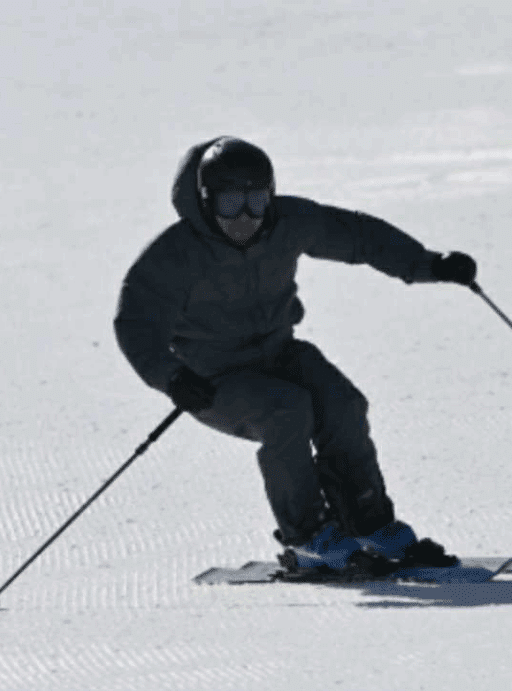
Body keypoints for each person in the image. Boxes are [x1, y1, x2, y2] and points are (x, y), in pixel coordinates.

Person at [115, 136, 478, 570]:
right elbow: (136, 323)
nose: (246, 217)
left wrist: (429, 264)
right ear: (206, 201)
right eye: (230, 204)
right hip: (214, 378)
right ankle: (307, 537)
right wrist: (172, 377)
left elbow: (358, 236)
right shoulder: (174, 254)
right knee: (285, 411)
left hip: (279, 352)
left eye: (256, 201)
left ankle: (369, 525)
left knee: (342, 404)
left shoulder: (288, 221)